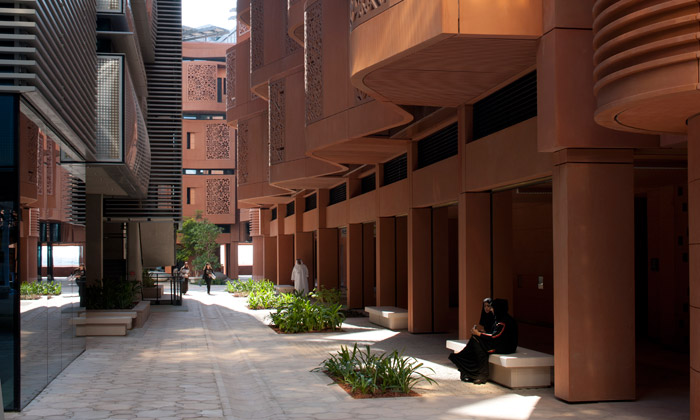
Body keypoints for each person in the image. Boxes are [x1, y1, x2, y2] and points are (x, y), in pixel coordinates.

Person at [448, 298, 518, 384]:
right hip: (498, 343)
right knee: (476, 340)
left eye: (492, 307)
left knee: (477, 343)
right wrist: (479, 333)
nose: (491, 310)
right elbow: (493, 334)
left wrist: (479, 334)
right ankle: (473, 372)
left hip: (504, 347)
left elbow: (495, 336)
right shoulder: (500, 319)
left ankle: (476, 372)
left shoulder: (504, 321)